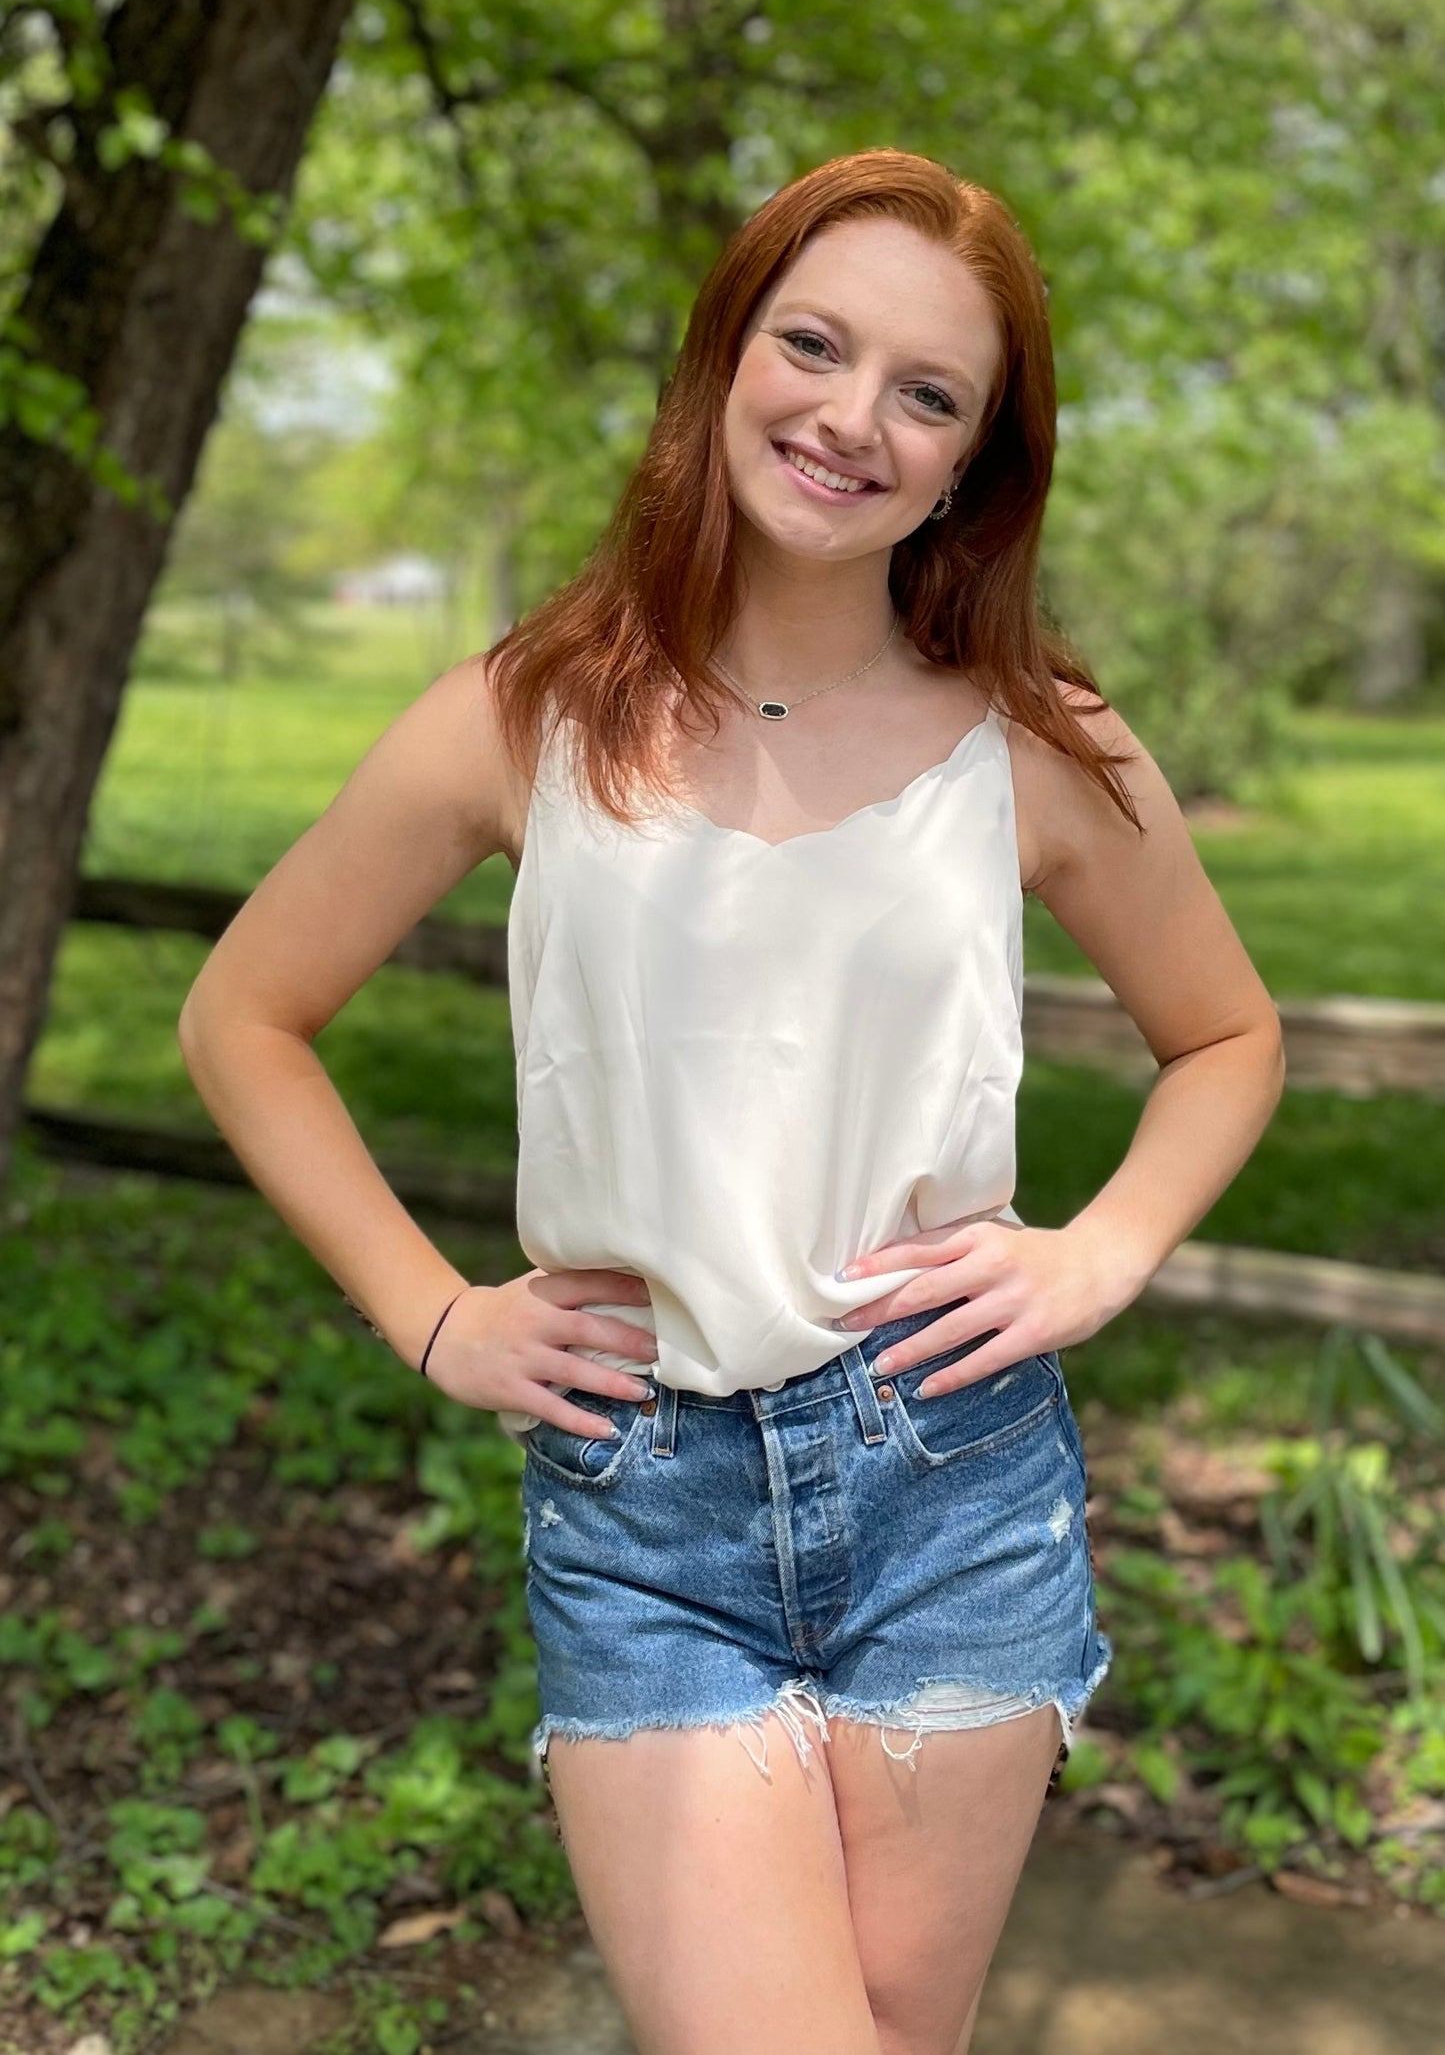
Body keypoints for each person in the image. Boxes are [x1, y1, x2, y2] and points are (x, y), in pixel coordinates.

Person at [178, 148, 1286, 2055]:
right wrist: (431, 1313)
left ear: (971, 463)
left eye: (928, 393)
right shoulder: (523, 715)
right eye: (815, 345)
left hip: (950, 1474)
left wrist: (1100, 1251)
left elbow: (1227, 1035)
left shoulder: (1034, 744)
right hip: (644, 1502)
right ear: (725, 352)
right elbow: (242, 1014)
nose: (853, 418)